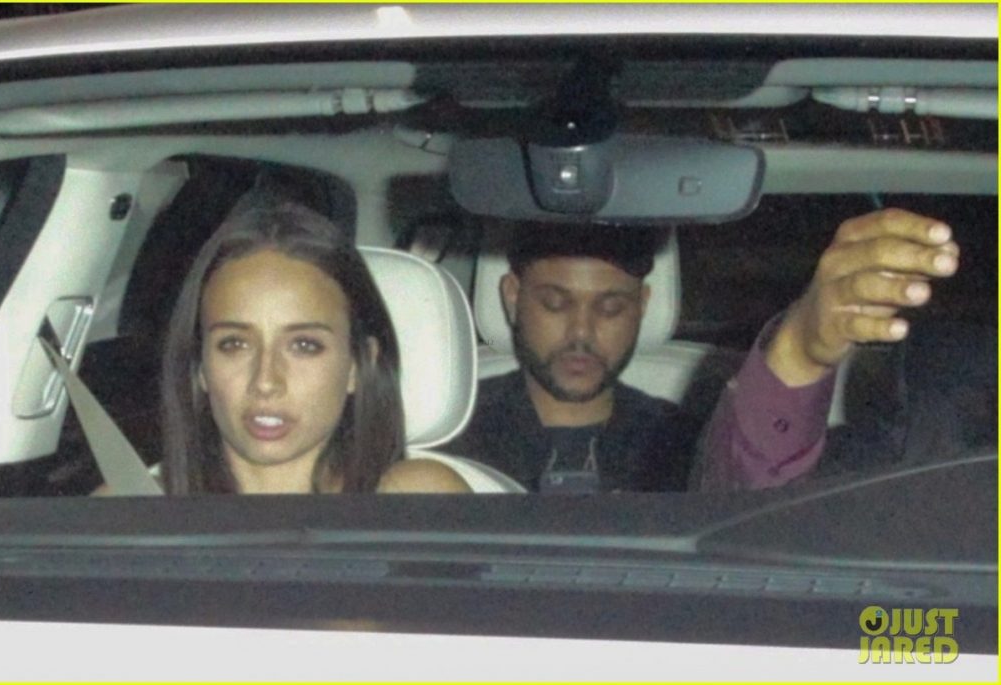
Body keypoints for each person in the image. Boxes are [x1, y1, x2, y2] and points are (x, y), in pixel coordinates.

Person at [442, 209, 960, 492]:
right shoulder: (442, 437)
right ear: (513, 298)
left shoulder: (686, 439)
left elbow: (751, 488)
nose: (582, 331)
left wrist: (799, 351)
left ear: (643, 307)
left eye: (611, 307)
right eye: (555, 303)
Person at [160, 202, 470, 495]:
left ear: (357, 364)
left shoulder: (413, 499)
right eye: (235, 344)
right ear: (200, 365)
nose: (266, 382)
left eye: (304, 345)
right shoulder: (140, 507)